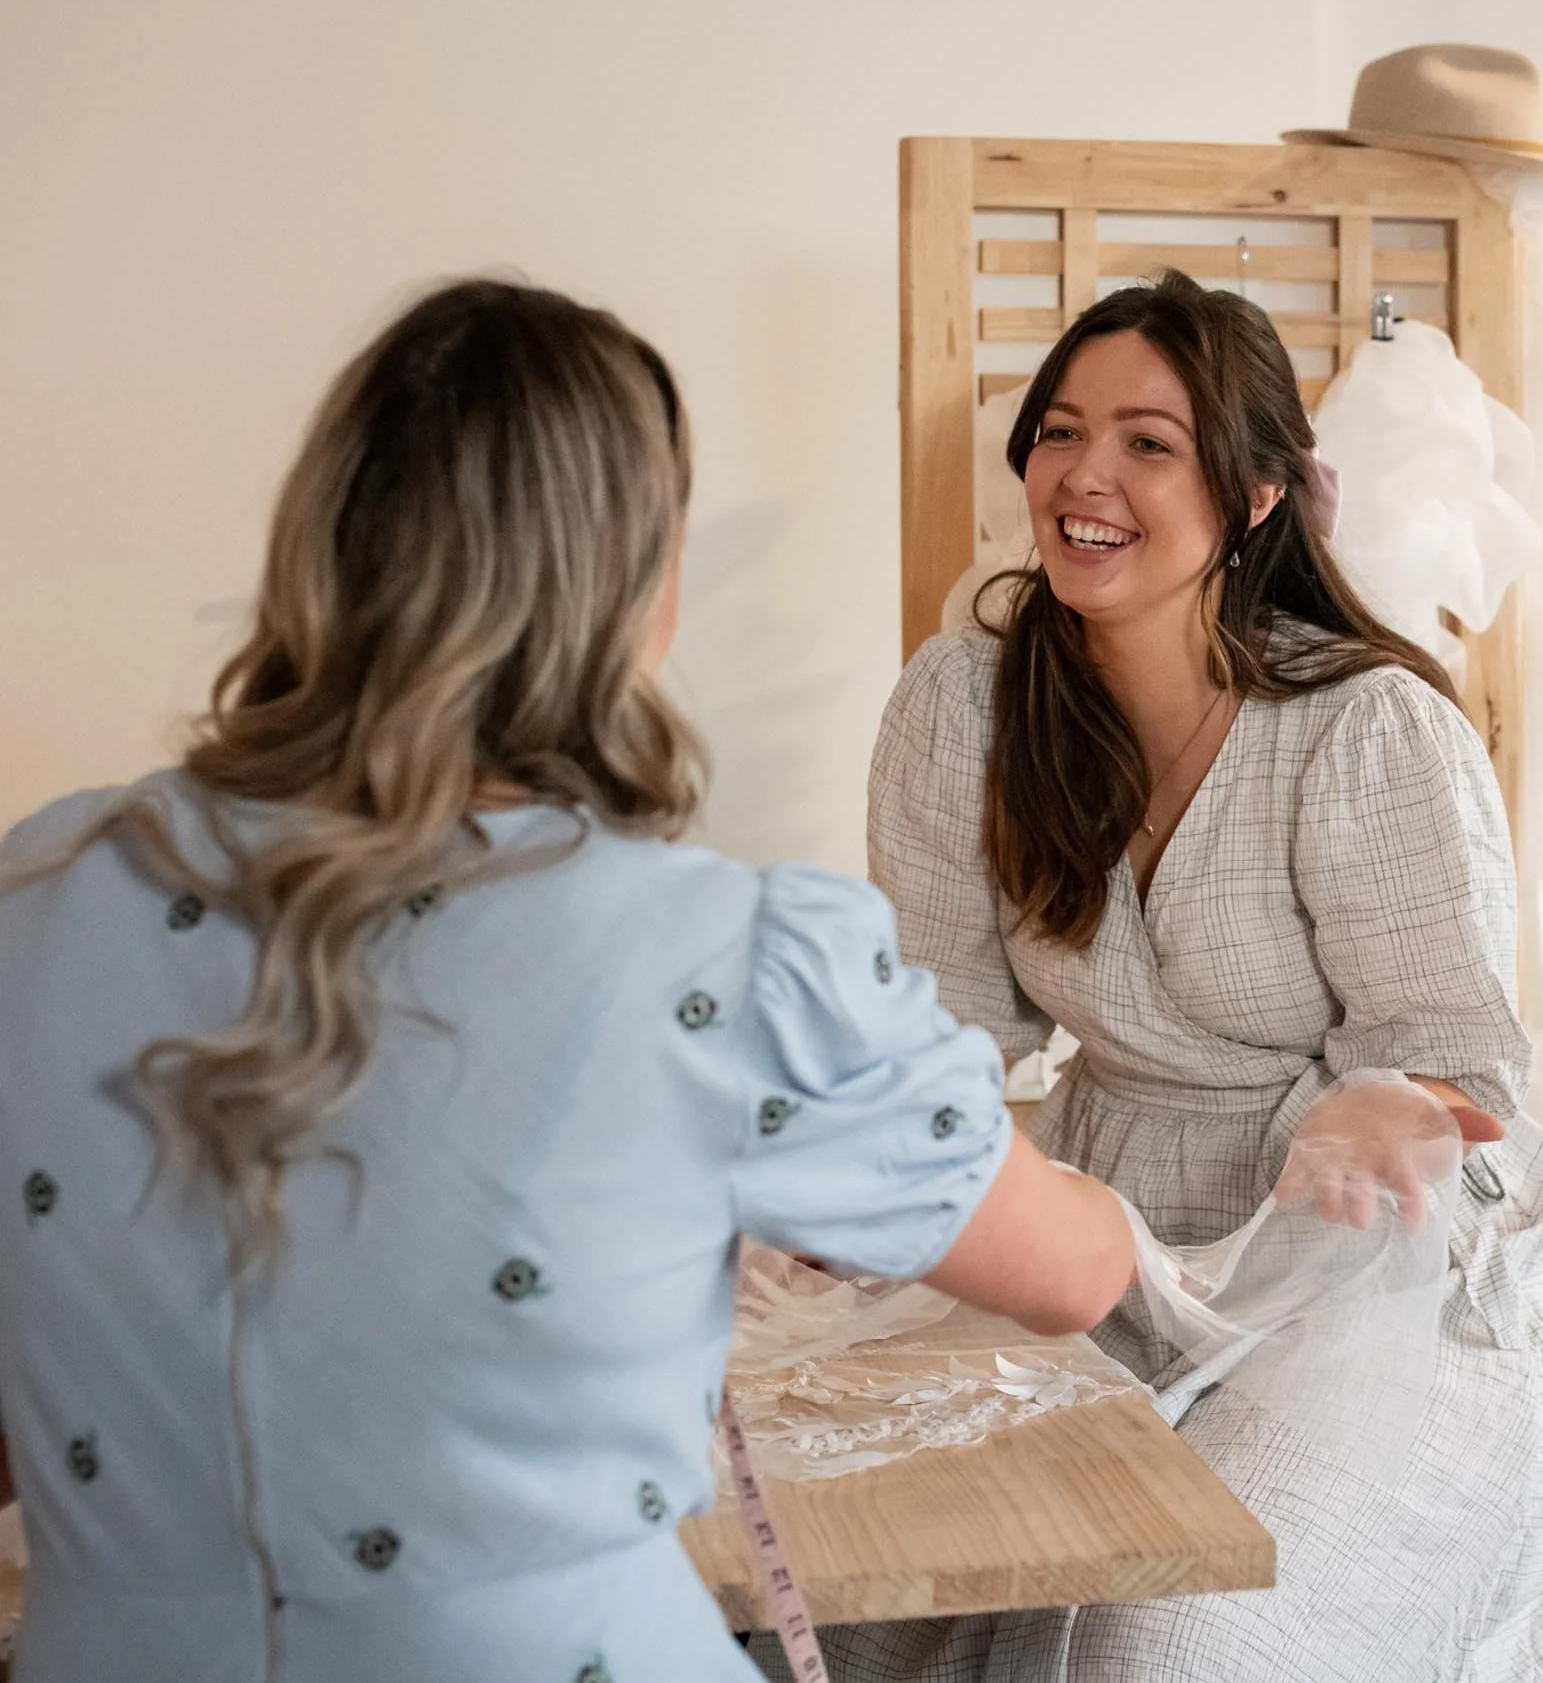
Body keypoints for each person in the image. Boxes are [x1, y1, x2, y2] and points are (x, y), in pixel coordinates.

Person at [0, 280, 1139, 1683]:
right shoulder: (726, 965)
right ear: (639, 596)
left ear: (320, 549)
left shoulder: (38, 891)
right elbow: (1073, 1273)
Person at [783, 272, 1543, 1683]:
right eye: (1058, 431)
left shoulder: (1370, 729)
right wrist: (839, 1169)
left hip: (1382, 1266)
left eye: (1147, 444)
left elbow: (1459, 1067)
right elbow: (940, 1031)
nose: (1083, 475)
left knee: (1159, 1647)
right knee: (844, 1602)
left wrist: (1380, 1100)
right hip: (1115, 1230)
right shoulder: (961, 701)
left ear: (1257, 496)